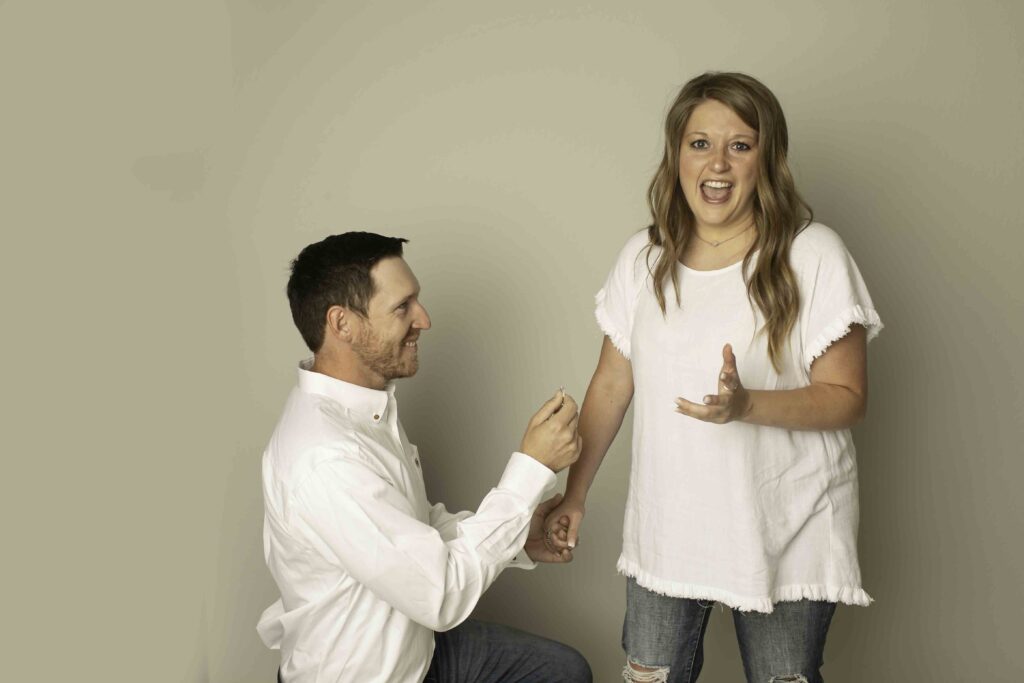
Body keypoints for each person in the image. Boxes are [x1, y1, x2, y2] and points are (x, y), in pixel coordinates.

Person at [543, 72, 883, 683]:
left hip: (788, 524)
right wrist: (574, 493)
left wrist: (746, 404)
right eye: (699, 143)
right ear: (676, 156)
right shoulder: (643, 259)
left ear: (767, 158)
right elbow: (612, 383)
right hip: (669, 526)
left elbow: (847, 397)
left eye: (740, 145)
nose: (717, 163)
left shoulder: (813, 254)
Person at [257, 232, 592, 683]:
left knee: (563, 671)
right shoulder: (326, 457)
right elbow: (441, 596)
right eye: (403, 307)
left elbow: (413, 530)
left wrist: (520, 537)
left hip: (415, 652)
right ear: (342, 325)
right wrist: (531, 469)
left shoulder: (362, 411)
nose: (425, 319)